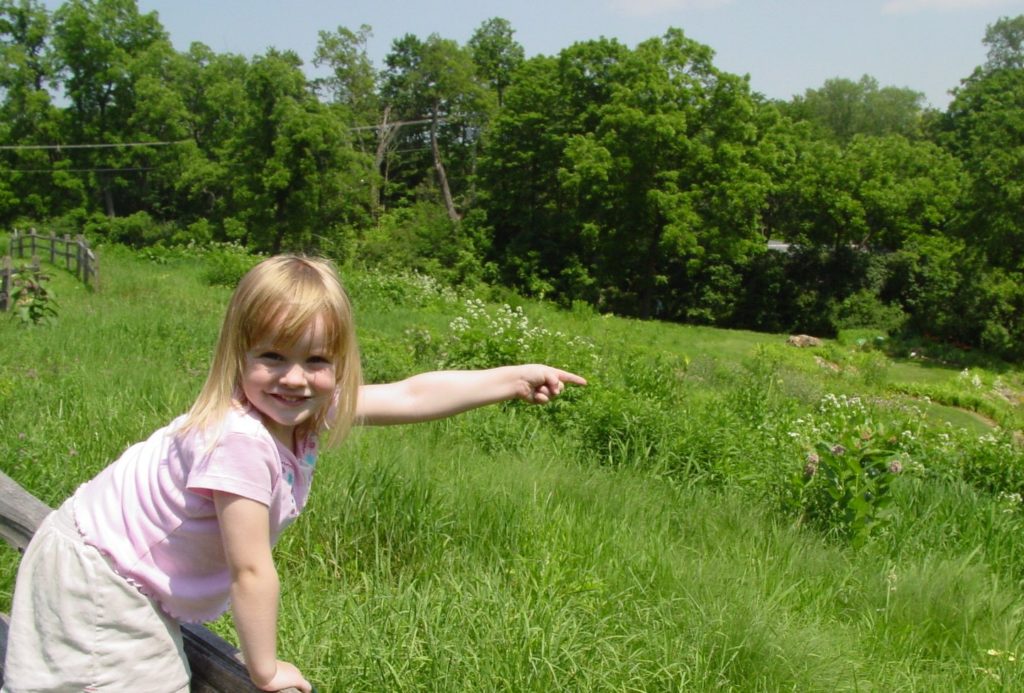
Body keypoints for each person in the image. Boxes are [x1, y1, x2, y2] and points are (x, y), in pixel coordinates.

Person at [2, 255, 585, 693]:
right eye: (272, 358)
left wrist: (511, 377)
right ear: (238, 354)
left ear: (339, 364)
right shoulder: (239, 440)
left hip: (107, 564)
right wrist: (265, 669)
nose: (294, 379)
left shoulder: (302, 410)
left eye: (316, 361)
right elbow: (251, 568)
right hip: (100, 581)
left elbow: (412, 392)